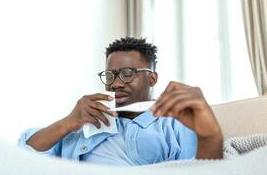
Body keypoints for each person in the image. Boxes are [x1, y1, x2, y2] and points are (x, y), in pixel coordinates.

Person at [18, 37, 223, 166]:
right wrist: (68, 122)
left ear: (152, 78)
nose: (115, 84)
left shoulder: (174, 124)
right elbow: (24, 155)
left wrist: (211, 135)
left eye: (127, 73)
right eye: (110, 76)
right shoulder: (87, 124)